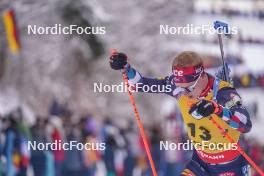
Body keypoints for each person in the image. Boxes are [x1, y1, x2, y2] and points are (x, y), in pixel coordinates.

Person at [109, 51, 252, 175]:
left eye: (189, 88)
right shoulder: (178, 87)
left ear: (201, 76)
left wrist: (218, 110)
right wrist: (125, 68)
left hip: (230, 165)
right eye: (180, 88)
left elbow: (245, 124)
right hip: (200, 163)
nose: (185, 94)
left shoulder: (222, 92)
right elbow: (141, 84)